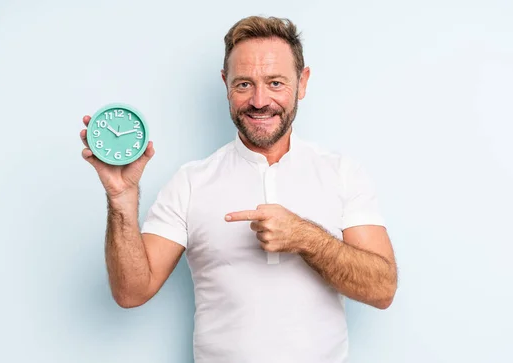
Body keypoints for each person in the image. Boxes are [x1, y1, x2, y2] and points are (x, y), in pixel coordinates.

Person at [80, 15, 397, 363]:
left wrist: (306, 238)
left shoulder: (342, 173)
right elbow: (131, 292)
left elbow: (382, 290)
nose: (260, 101)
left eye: (275, 83)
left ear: (302, 82)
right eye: (244, 84)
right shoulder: (190, 182)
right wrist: (121, 198)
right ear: (225, 83)